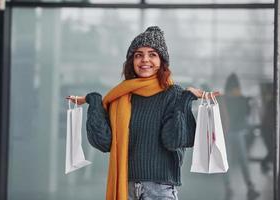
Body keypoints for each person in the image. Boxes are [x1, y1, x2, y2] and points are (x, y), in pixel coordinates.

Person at [67, 26, 219, 200]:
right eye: (138, 55)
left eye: (152, 54)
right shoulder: (122, 96)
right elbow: (104, 143)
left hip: (160, 190)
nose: (145, 60)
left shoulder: (173, 94)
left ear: (162, 61)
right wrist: (94, 101)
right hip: (126, 188)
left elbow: (174, 140)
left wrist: (185, 100)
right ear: (132, 60)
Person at [221, 73, 260, 200]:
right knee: (243, 161)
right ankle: (250, 187)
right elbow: (247, 114)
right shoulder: (242, 98)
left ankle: (228, 187)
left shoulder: (224, 98)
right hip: (237, 132)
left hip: (227, 133)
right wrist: (247, 102)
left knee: (227, 162)